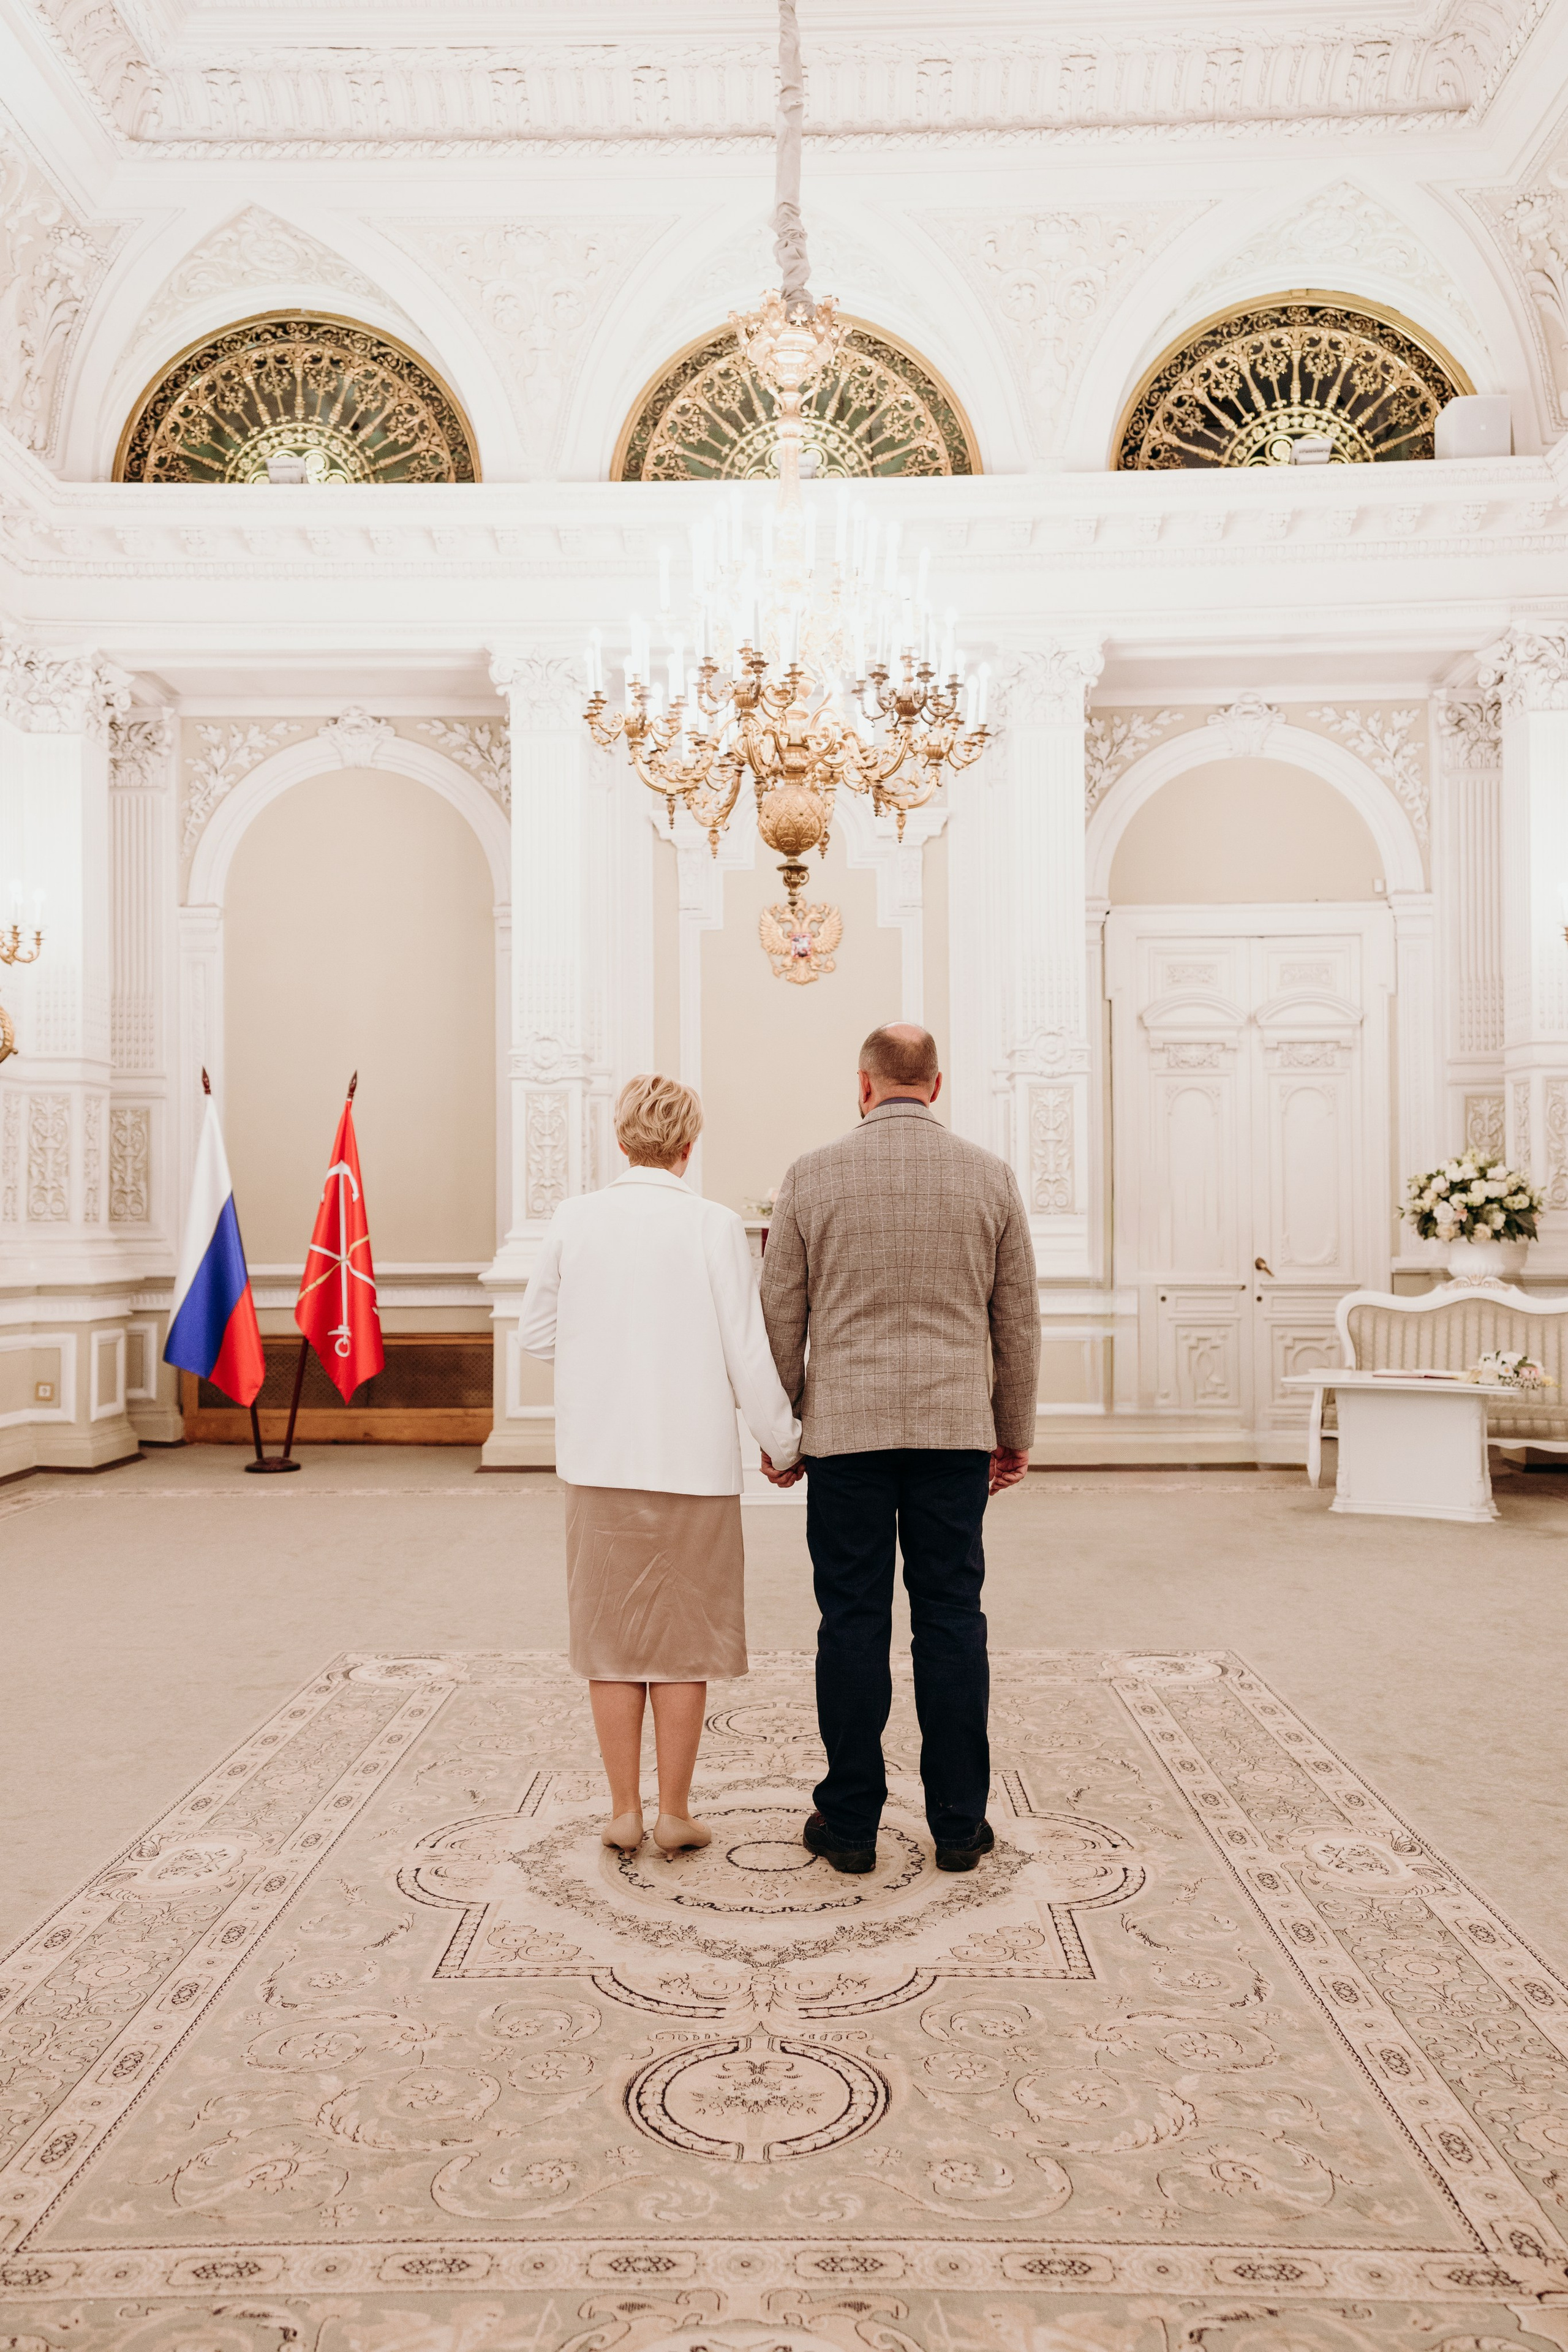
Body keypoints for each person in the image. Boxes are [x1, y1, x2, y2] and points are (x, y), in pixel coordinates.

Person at [758, 1023, 1039, 1877]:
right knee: (951, 1617)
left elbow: (781, 1315)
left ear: (864, 1085)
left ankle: (849, 1825)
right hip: (954, 1432)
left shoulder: (811, 1175)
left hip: (846, 1435)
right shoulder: (990, 1175)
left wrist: (781, 1434)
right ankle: (959, 1823)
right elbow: (1017, 1319)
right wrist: (1013, 1432)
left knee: (851, 1620)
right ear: (937, 1085)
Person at [519, 1074, 801, 1859]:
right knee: (683, 1643)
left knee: (610, 1641)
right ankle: (675, 1812)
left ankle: (622, 1811)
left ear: (620, 1140)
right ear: (690, 1144)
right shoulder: (712, 1225)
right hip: (693, 1465)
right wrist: (783, 1443)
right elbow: (746, 1351)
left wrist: (598, 1358)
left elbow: (536, 1334)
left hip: (598, 1460)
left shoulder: (575, 1219)